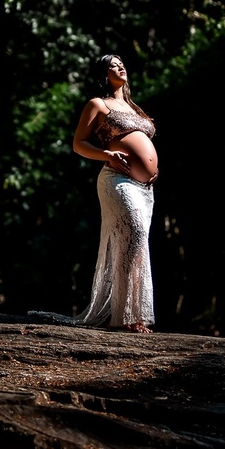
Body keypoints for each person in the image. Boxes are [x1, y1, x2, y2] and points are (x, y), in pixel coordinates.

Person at [69, 54, 158, 333]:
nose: (120, 67)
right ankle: (125, 317)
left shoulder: (133, 107)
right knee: (134, 235)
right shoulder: (98, 104)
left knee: (134, 244)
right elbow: (78, 144)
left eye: (121, 63)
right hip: (116, 180)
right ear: (103, 75)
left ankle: (133, 315)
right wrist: (105, 154)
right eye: (112, 65)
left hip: (145, 189)